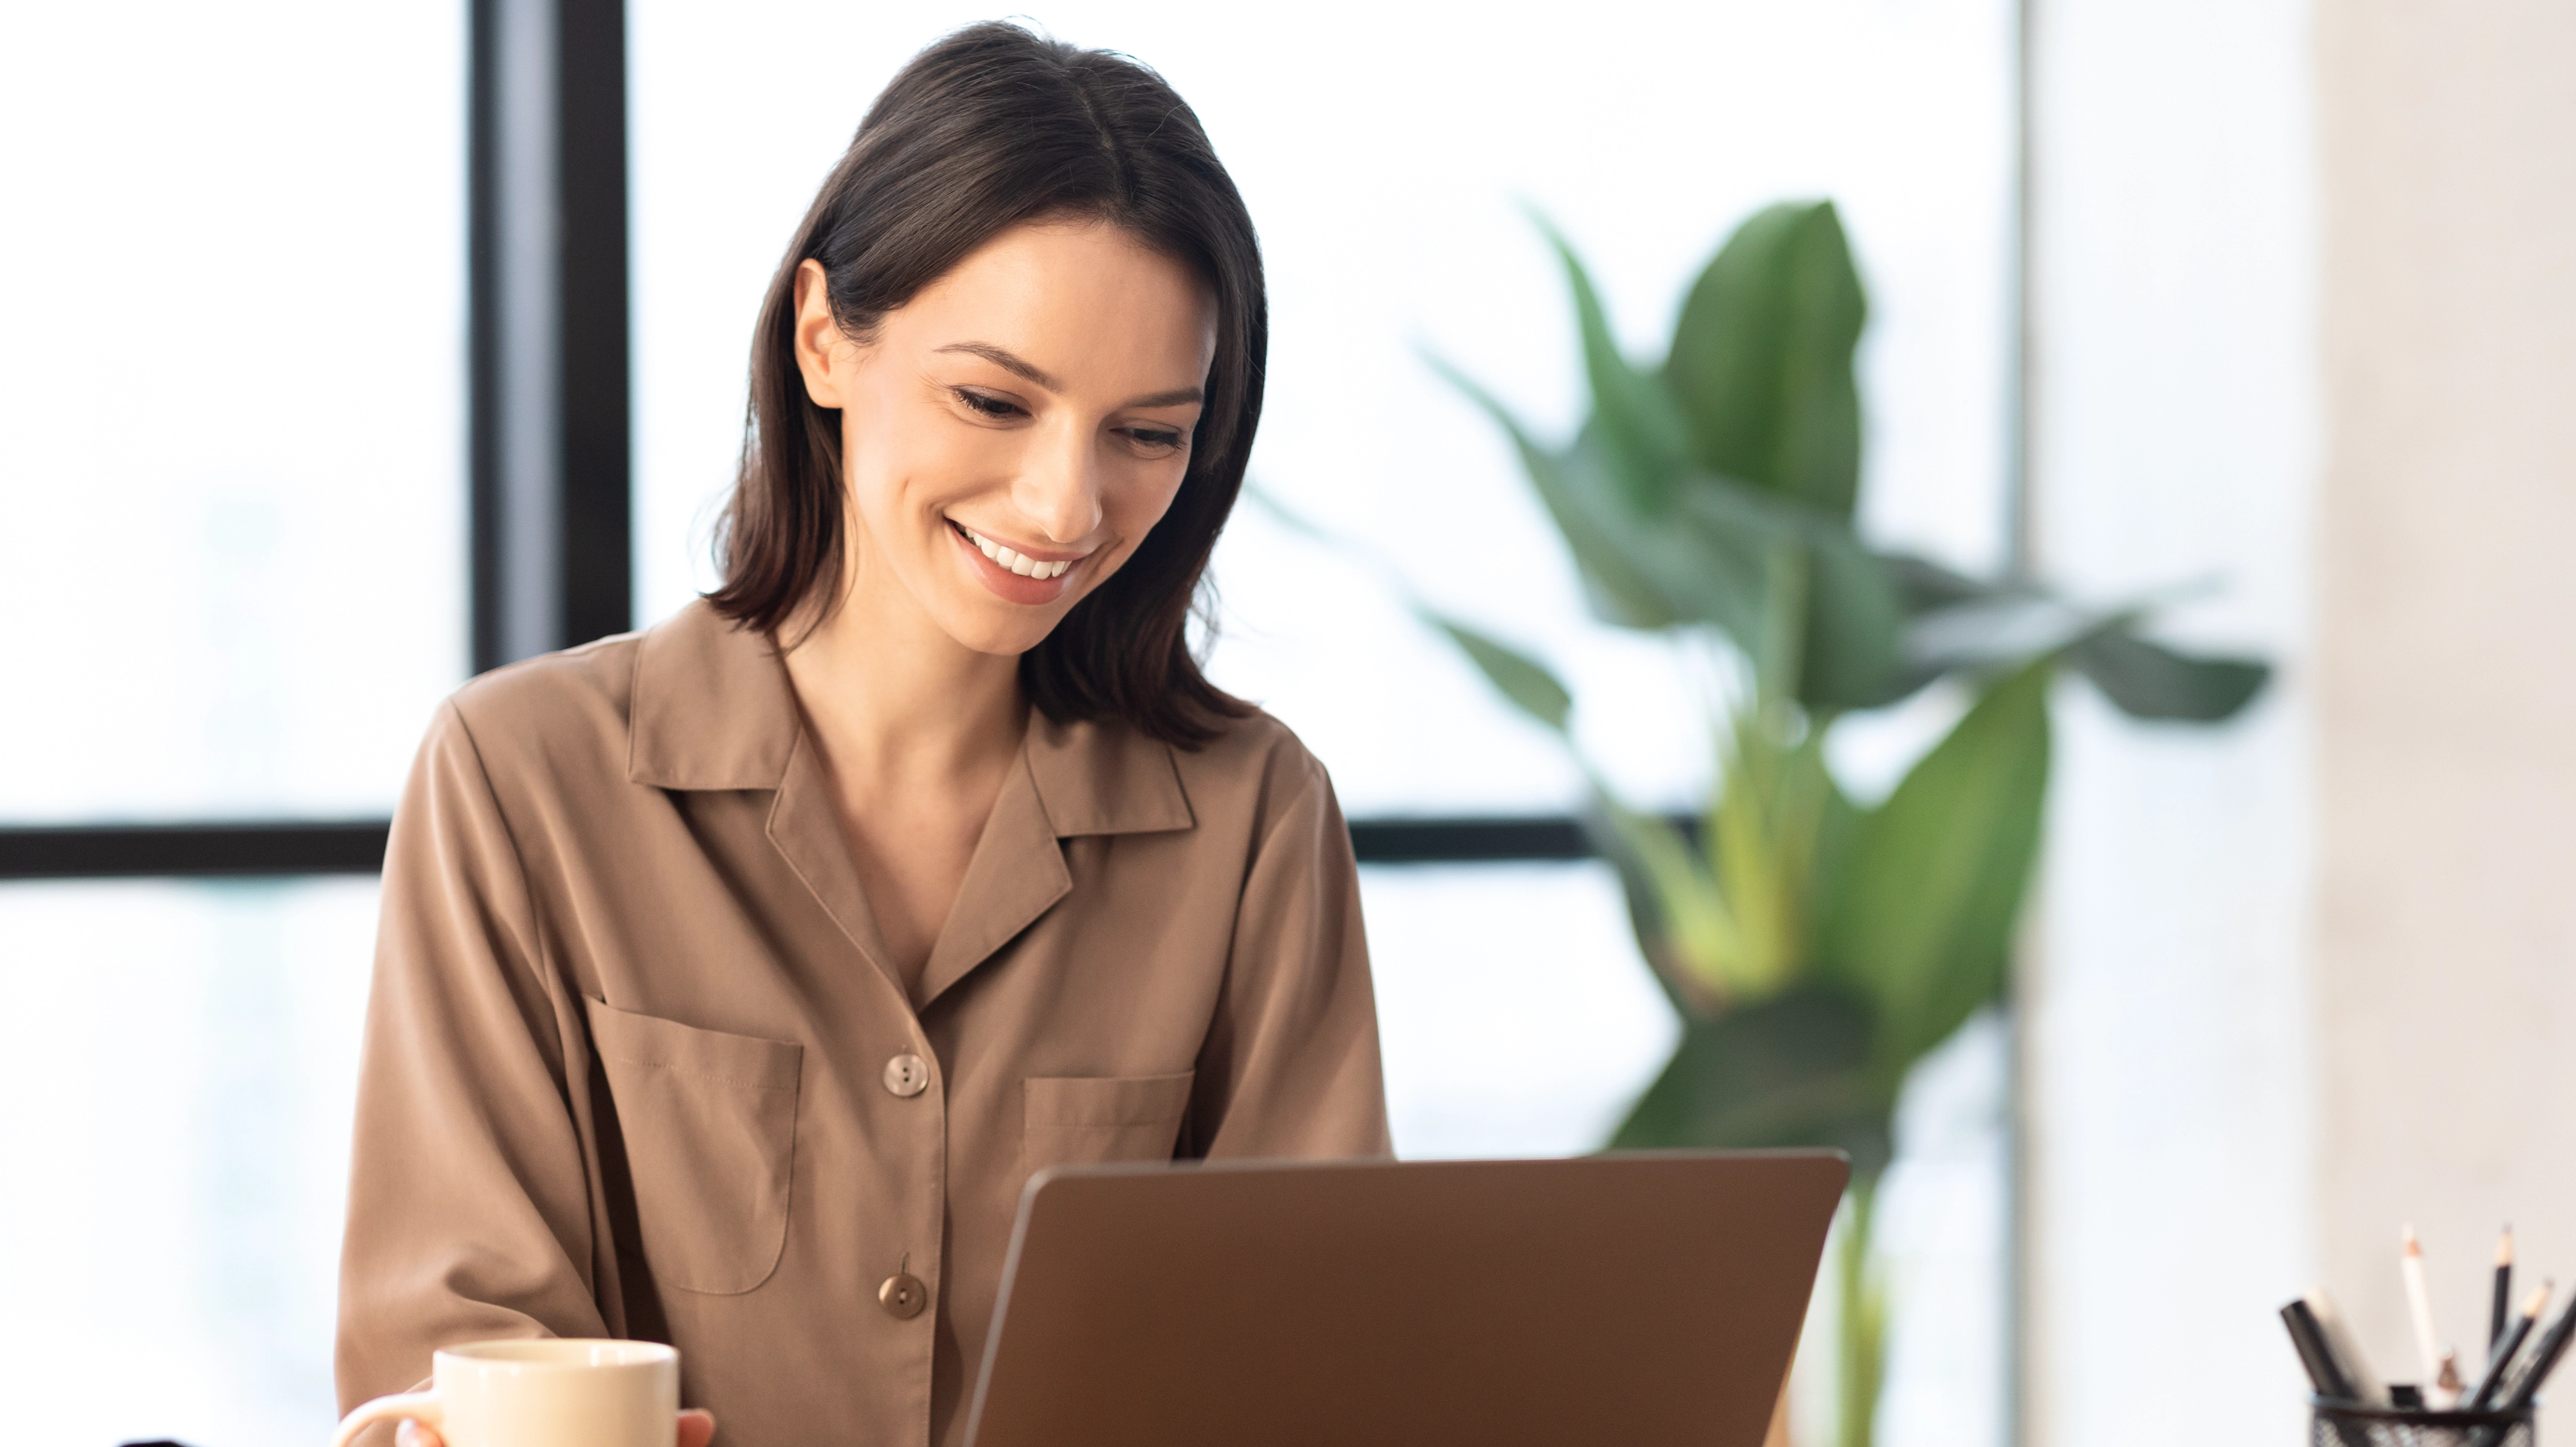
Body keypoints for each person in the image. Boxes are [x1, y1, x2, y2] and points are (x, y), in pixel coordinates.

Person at [334, 22, 1391, 1447]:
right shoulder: (523, 782)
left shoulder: (1255, 819)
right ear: (826, 337)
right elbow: (465, 1347)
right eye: (995, 401)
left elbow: (1317, 1353)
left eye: (1147, 433)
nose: (1065, 508)